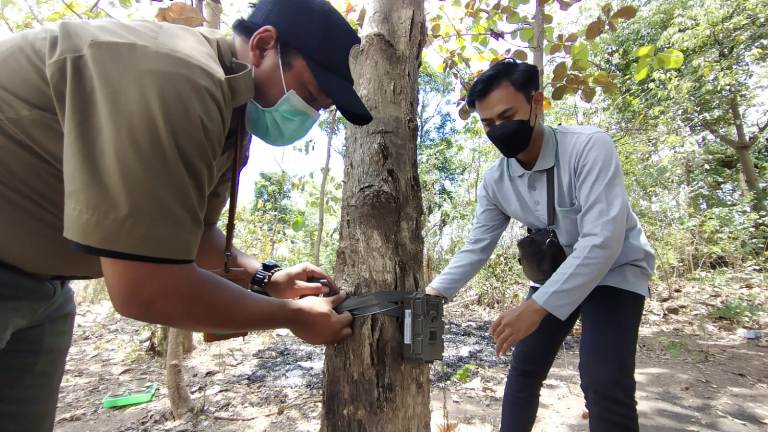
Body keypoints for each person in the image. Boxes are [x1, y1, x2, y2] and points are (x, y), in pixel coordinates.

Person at [0, 0, 371, 430]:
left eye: (320, 108)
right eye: (308, 95)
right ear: (263, 46)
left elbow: (184, 230)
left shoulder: (232, 113)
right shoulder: (176, 79)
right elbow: (145, 289)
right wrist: (292, 318)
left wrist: (265, 278)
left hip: (44, 291)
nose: (308, 114)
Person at [426, 59, 655, 432]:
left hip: (617, 268)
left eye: (507, 115)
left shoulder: (588, 148)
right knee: (525, 366)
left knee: (603, 378)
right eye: (488, 123)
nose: (499, 130)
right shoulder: (495, 181)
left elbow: (603, 240)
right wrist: (434, 293)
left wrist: (536, 308)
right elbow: (478, 245)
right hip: (555, 271)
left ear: (537, 103)